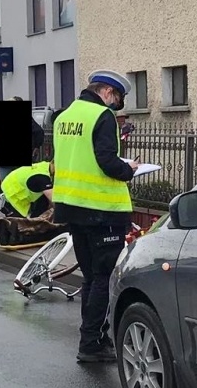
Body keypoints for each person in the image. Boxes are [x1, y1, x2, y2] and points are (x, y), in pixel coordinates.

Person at [51, 70, 138, 363]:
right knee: (102, 278)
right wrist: (129, 170)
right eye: (117, 100)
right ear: (107, 92)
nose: (116, 106)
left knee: (90, 277)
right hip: (102, 211)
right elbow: (107, 162)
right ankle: (91, 344)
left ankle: (91, 338)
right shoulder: (102, 117)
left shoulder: (64, 117)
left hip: (71, 208)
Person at [0, 160, 62, 246]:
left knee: (30, 225)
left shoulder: (46, 167)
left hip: (16, 193)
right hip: (9, 196)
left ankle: (6, 230)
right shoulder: (42, 177)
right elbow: (54, 201)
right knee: (22, 228)